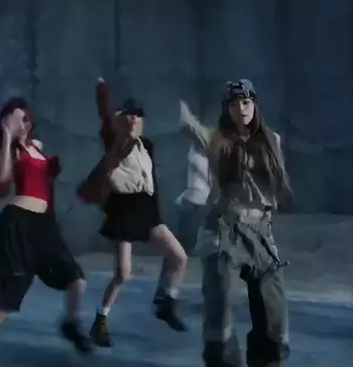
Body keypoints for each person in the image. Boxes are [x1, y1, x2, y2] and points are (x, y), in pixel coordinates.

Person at [0, 98, 91, 367]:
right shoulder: (8, 151)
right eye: (16, 119)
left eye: (25, 118)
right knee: (9, 298)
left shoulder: (37, 147)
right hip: (18, 224)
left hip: (44, 224)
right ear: (7, 123)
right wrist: (7, 138)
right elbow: (2, 180)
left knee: (77, 279)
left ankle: (70, 323)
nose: (23, 124)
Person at [180, 79, 291, 367]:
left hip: (261, 231)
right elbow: (195, 135)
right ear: (226, 109)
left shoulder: (271, 141)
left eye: (245, 102)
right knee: (221, 309)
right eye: (233, 104)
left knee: (273, 314)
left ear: (254, 105)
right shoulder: (216, 140)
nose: (241, 108)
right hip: (225, 228)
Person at [77, 78, 189, 348]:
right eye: (130, 114)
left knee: (179, 257)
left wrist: (156, 212)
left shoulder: (146, 146)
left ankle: (165, 301)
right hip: (123, 211)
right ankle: (100, 320)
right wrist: (103, 92)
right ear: (122, 118)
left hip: (146, 209)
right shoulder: (115, 141)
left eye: (138, 115)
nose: (134, 118)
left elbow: (150, 181)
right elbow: (106, 118)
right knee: (123, 274)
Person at [153, 141, 213, 303]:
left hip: (204, 204)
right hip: (193, 204)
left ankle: (167, 289)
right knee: (181, 248)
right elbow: (207, 178)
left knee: (192, 248)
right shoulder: (197, 153)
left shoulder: (210, 151)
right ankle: (166, 290)